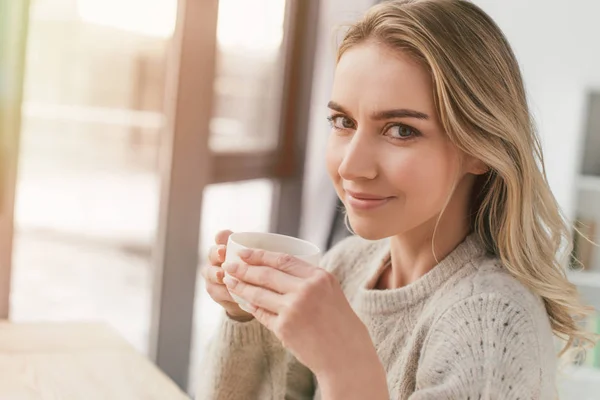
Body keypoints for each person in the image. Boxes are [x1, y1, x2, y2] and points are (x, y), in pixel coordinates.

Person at [196, 0, 595, 398]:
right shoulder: (346, 265)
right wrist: (244, 314)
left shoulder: (489, 326)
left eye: (401, 130)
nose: (352, 166)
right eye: (343, 122)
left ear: (480, 147)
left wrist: (345, 367)